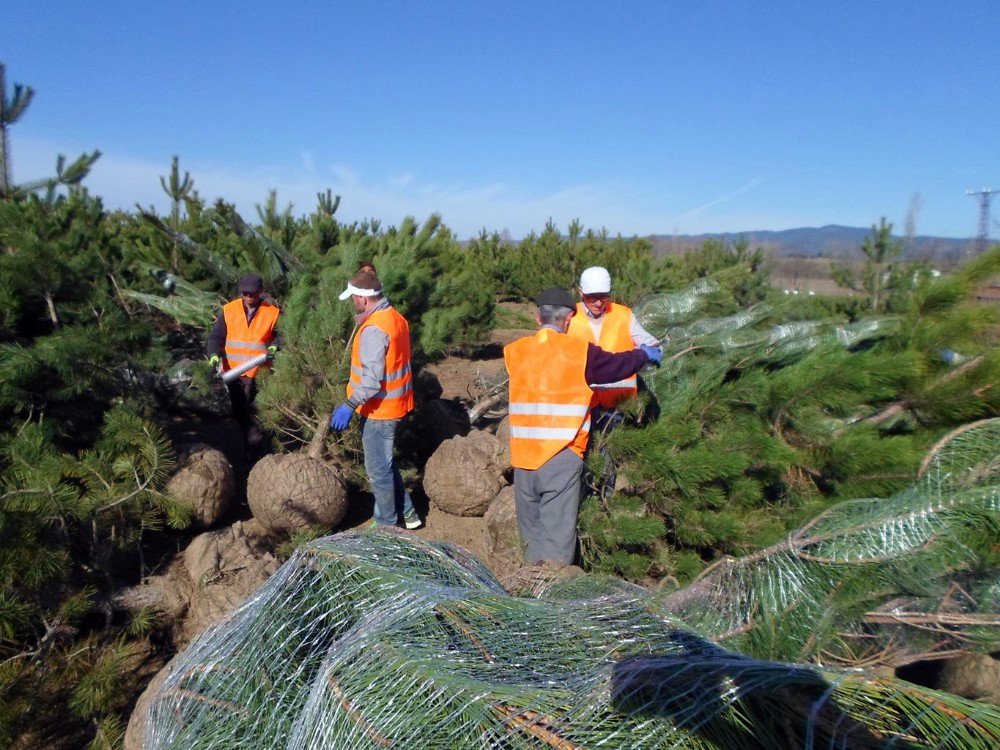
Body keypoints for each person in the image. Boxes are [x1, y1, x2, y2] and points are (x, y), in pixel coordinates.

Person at [503, 287, 662, 565]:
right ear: (568, 321)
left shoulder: (514, 352)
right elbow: (616, 365)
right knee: (557, 545)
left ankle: (528, 591)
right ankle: (555, 598)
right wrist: (644, 355)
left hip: (523, 458)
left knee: (531, 536)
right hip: (561, 454)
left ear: (537, 318)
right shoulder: (578, 352)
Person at [329, 270, 422, 529]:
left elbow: (371, 380)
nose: (353, 303)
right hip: (397, 403)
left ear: (364, 299)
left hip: (379, 410)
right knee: (386, 464)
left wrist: (349, 405)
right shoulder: (396, 318)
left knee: (378, 471)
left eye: (354, 299)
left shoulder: (373, 329)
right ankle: (409, 514)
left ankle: (386, 526)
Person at [206, 274, 280, 458]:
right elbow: (216, 337)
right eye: (244, 293)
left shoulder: (272, 313)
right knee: (239, 411)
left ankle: (254, 450)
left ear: (261, 292)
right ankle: (252, 444)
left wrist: (275, 345)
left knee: (253, 411)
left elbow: (283, 335)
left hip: (258, 372)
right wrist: (213, 355)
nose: (248, 297)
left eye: (252, 294)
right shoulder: (230, 310)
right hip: (233, 371)